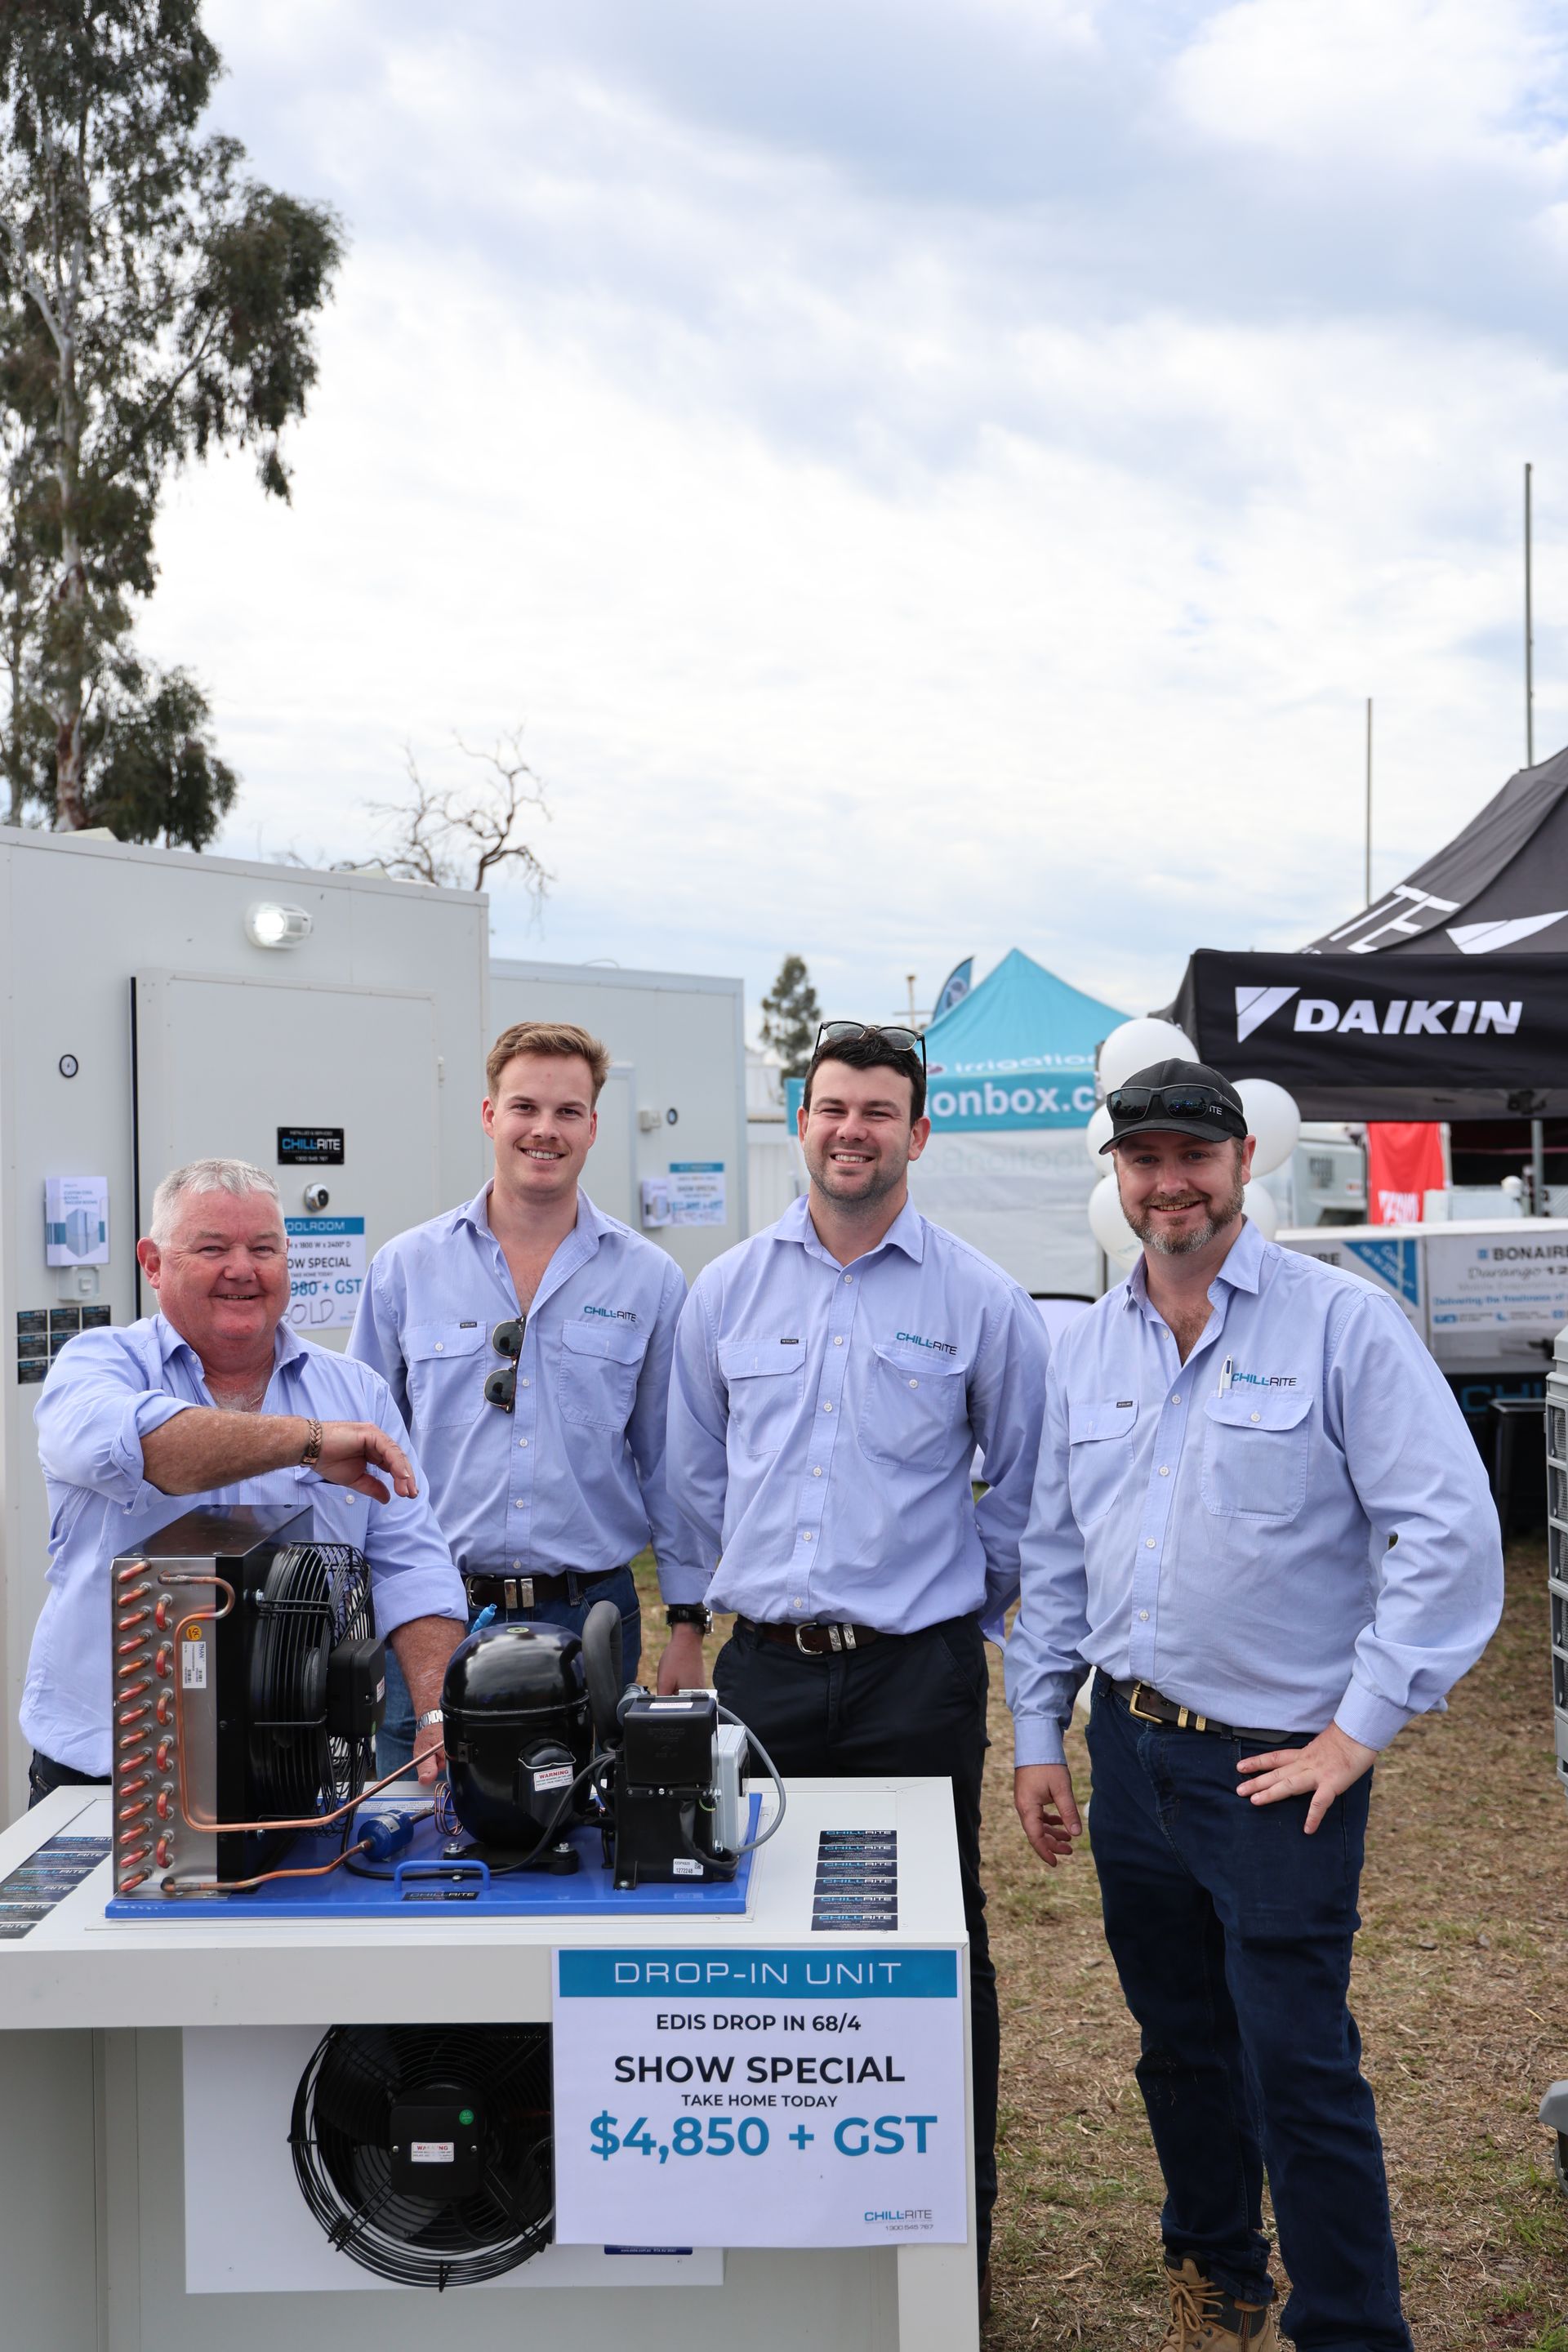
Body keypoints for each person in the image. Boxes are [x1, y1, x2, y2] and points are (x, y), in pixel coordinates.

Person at [1007, 1059, 1504, 2352]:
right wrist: (1036, 1732)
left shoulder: (1340, 1325)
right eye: (1144, 1158)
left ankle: (1348, 2325)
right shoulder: (1091, 1344)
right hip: (1132, 1751)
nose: (1170, 1182)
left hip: (1279, 1766)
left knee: (1299, 2066)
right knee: (1177, 2045)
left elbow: (1448, 1532)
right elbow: (1057, 1551)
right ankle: (1216, 2270)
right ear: (1116, 1175)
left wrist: (1358, 1730)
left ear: (1242, 1163)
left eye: (1194, 1156)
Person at [663, 1019, 1051, 2305]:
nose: (852, 1131)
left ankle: (952, 2250)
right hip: (762, 1674)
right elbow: (695, 1480)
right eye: (833, 1107)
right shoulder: (725, 1292)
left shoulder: (983, 1300)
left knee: (937, 1947)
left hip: (915, 1679)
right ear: (802, 1121)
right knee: (751, 1941)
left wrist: (953, 1614)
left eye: (880, 1112)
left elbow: (1025, 1493)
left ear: (918, 1132)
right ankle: (782, 2243)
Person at [20, 1159, 468, 1805]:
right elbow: (155, 1450)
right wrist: (309, 1441)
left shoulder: (356, 1392)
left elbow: (411, 1566)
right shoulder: (96, 1369)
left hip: (299, 1776)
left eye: (264, 1248)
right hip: (110, 1781)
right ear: (152, 1263)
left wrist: (433, 1714)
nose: (242, 1269)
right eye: (211, 1248)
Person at [350, 1020, 701, 1773]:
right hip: (433, 1613)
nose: (545, 1130)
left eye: (568, 1112)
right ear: (489, 1116)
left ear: (595, 1126)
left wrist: (689, 1622)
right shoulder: (405, 1269)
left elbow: (671, 1463)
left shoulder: (649, 1280)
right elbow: (361, 1460)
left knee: (583, 1838)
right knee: (420, 1840)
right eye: (525, 1108)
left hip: (588, 1618)